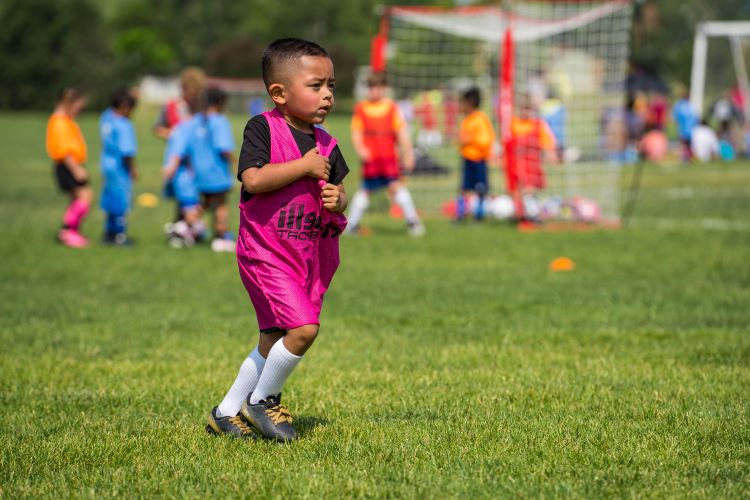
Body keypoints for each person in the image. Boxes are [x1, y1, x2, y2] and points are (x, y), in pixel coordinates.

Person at [206, 38, 349, 441]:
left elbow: (338, 193)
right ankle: (263, 400)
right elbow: (252, 179)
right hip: (265, 253)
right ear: (279, 94)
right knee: (304, 329)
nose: (327, 95)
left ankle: (226, 411)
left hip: (305, 255)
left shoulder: (329, 145)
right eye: (316, 85)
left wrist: (338, 200)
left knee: (272, 338)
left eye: (331, 86)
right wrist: (301, 166)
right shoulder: (262, 129)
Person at [345, 71, 425, 236]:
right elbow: (356, 132)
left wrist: (408, 154)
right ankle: (351, 225)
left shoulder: (391, 108)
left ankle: (413, 222)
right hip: (372, 160)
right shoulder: (361, 109)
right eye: (371, 87)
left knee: (395, 187)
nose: (374, 91)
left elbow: (402, 133)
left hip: (389, 159)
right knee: (366, 190)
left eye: (378, 87)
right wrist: (361, 149)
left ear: (384, 89)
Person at [46, 88, 91, 248]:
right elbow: (63, 150)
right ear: (68, 104)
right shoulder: (59, 122)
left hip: (72, 164)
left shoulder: (64, 120)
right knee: (84, 197)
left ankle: (71, 231)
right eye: (78, 107)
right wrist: (76, 168)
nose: (79, 111)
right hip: (68, 165)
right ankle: (68, 232)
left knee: (76, 199)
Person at [196, 87, 236, 252]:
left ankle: (185, 226)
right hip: (216, 171)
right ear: (221, 102)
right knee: (220, 204)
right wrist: (235, 161)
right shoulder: (219, 120)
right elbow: (224, 147)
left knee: (204, 203)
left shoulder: (199, 120)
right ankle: (221, 236)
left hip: (200, 171)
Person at [505, 98, 558, 221]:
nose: (525, 112)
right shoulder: (514, 124)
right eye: (523, 108)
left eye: (528, 109)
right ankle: (520, 213)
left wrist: (551, 154)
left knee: (530, 189)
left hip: (532, 163)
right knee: (518, 189)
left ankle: (531, 214)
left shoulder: (538, 124)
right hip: (517, 163)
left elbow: (548, 142)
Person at [99, 89, 138, 245]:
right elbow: (126, 151)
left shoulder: (106, 117)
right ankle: (119, 235)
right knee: (121, 201)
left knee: (109, 198)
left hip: (106, 164)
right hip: (119, 168)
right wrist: (133, 168)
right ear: (124, 106)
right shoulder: (123, 125)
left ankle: (108, 232)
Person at [455, 87, 495, 221]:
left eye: (462, 102)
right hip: (467, 158)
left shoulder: (480, 119)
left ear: (470, 103)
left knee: (480, 188)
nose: (460, 106)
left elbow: (485, 141)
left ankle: (479, 214)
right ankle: (460, 214)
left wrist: (469, 140)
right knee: (463, 188)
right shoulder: (466, 119)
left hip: (478, 160)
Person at [672, 90, 698, 162]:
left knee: (682, 144)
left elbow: (675, 117)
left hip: (682, 129)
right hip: (690, 129)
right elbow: (696, 118)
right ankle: (688, 158)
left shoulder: (679, 105)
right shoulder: (691, 106)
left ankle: (683, 158)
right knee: (688, 144)